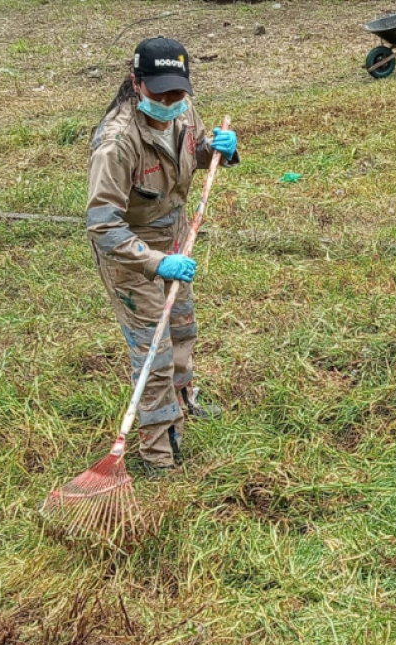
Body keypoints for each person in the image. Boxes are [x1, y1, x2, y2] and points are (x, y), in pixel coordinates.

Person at [85, 36, 239, 474]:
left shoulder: (183, 110)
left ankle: (184, 403)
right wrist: (155, 263)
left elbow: (194, 154)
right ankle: (159, 452)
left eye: (178, 91)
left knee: (182, 328)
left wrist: (218, 151)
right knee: (154, 350)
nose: (170, 101)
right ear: (136, 83)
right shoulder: (116, 143)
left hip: (175, 237)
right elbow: (102, 226)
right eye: (160, 93)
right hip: (130, 255)